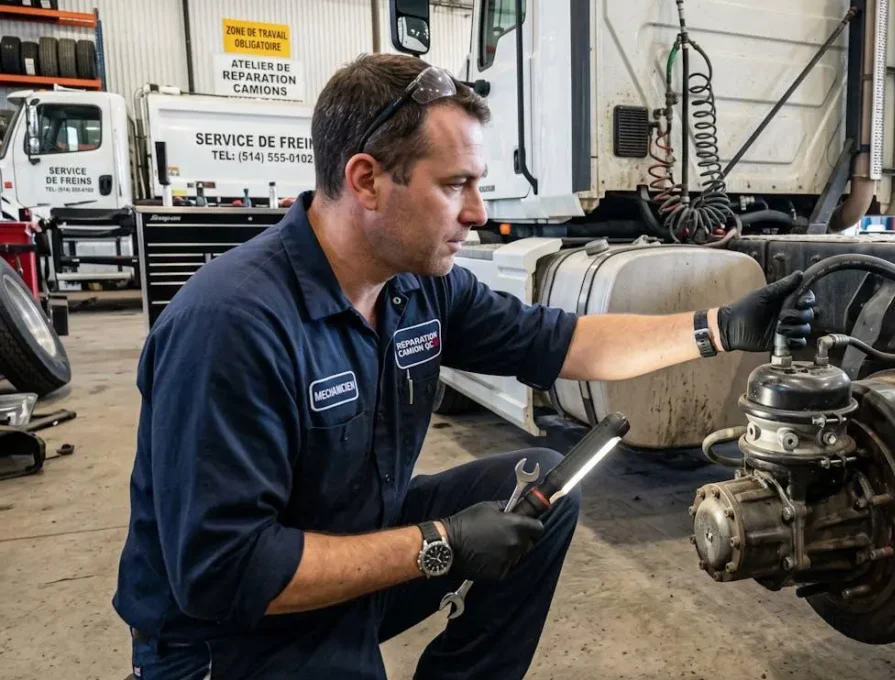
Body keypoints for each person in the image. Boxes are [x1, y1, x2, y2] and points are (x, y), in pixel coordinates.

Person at [113, 54, 816, 679]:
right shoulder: (233, 325)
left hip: (346, 555)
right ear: (366, 180)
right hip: (233, 636)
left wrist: (722, 328)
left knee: (542, 486)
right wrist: (439, 545)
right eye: (456, 185)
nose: (478, 212)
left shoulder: (417, 284)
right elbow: (224, 573)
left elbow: (566, 343)